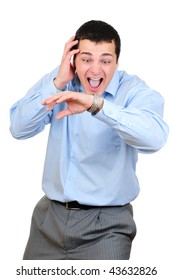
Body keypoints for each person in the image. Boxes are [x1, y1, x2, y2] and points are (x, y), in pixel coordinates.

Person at [10, 20, 169, 260]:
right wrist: (57, 82)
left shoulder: (134, 91)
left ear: (116, 62)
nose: (95, 71)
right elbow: (19, 128)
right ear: (73, 58)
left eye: (105, 60)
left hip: (106, 227)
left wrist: (96, 105)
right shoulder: (61, 84)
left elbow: (154, 139)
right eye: (86, 59)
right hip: (48, 221)